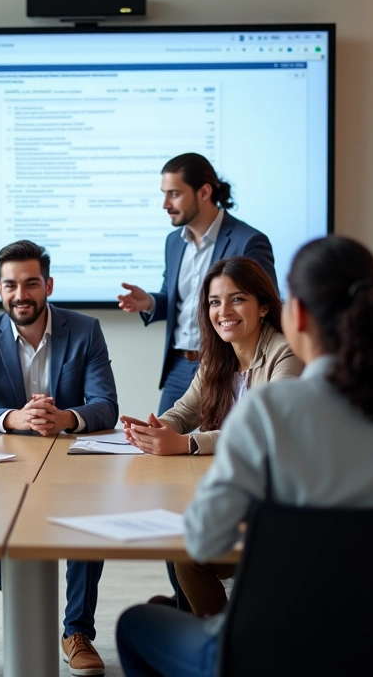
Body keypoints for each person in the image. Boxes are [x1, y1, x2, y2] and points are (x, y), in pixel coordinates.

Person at [116, 235, 373, 677]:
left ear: (294, 314)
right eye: (216, 302)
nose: (224, 311)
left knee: (136, 624)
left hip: (272, 648)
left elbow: (203, 542)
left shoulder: (272, 409)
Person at [0, 240, 118, 677]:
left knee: (89, 519)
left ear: (48, 284)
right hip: (9, 459)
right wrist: (14, 418)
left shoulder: (84, 329)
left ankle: (77, 630)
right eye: (10, 285)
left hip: (71, 455)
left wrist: (64, 416)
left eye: (31, 283)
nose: (20, 294)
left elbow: (106, 405)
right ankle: (35, 601)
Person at [120, 257, 302, 616]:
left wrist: (187, 443)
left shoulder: (287, 353)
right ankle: (197, 623)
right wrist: (157, 428)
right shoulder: (216, 358)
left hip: (274, 507)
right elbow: (184, 410)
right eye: (215, 302)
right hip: (233, 493)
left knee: (190, 556)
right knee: (183, 545)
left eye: (237, 299)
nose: (223, 311)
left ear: (264, 306)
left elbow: (266, 433)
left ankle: (219, 649)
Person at [117, 152, 277, 416]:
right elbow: (179, 298)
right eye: (164, 193)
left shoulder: (248, 241)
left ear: (204, 192)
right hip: (179, 367)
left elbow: (265, 305)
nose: (165, 204)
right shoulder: (174, 241)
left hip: (225, 364)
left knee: (219, 445)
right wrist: (151, 302)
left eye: (174, 194)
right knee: (161, 442)